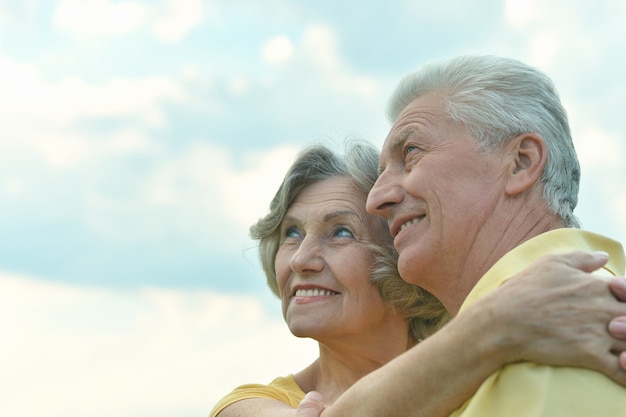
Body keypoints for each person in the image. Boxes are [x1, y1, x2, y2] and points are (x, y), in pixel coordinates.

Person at [210, 141, 626, 417]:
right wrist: (498, 324)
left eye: (340, 232)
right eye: (291, 234)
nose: (301, 259)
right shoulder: (247, 406)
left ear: (401, 252)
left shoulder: (508, 351)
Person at [365, 55, 626, 416]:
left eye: (410, 152)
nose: (375, 199)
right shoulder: (523, 336)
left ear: (521, 162)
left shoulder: (568, 334)